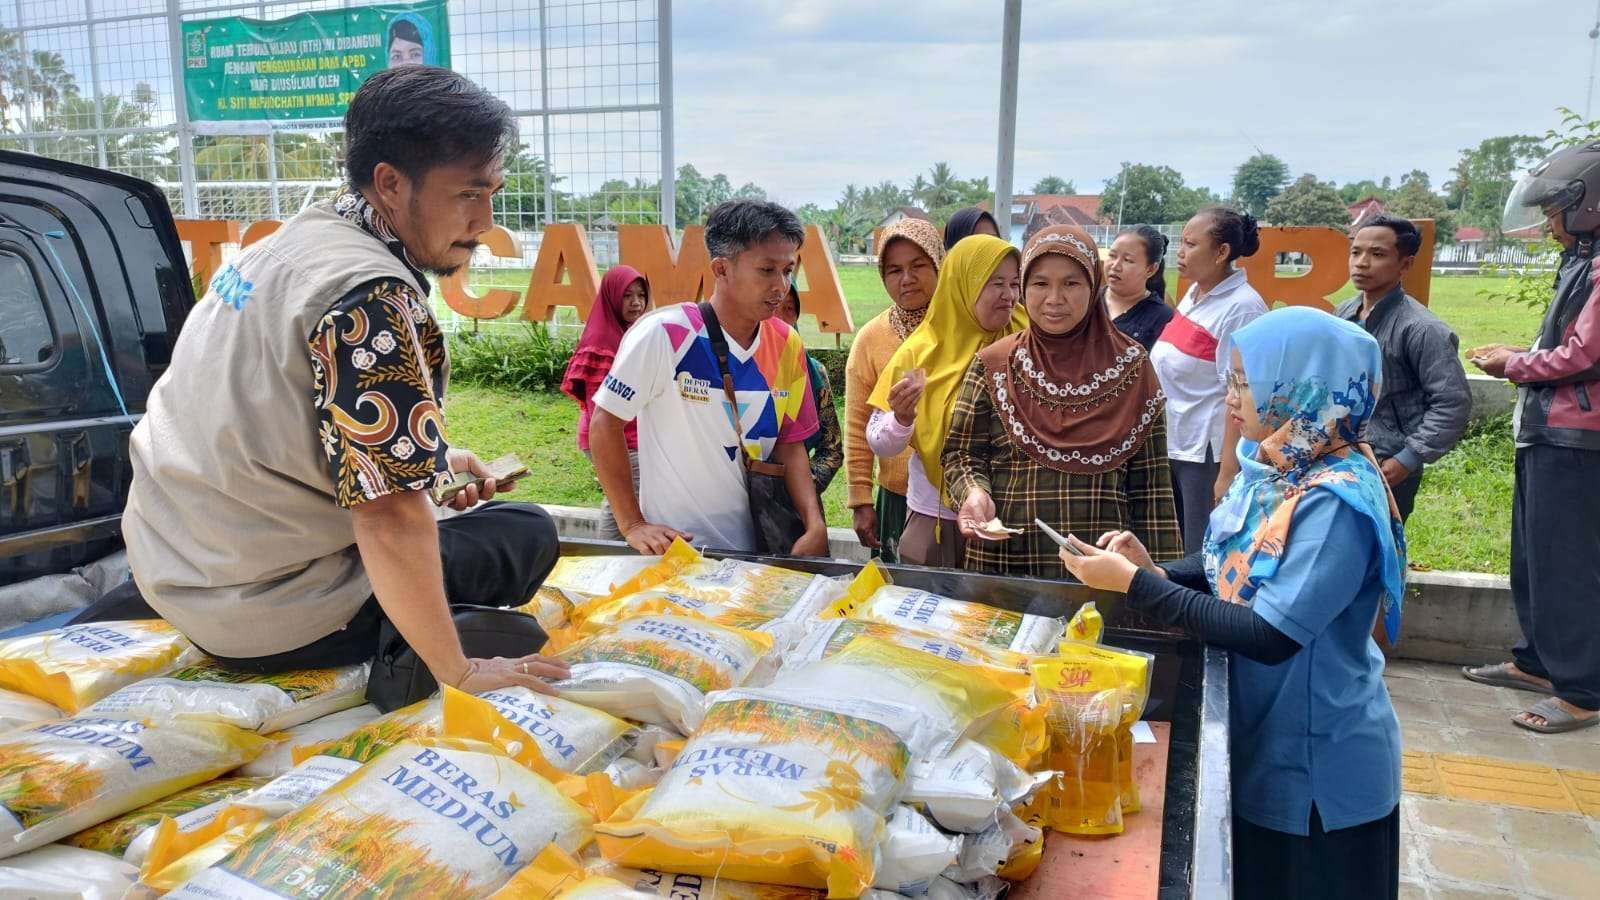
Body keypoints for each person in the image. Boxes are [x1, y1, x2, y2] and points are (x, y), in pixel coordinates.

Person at [93, 67, 566, 695]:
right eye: (469, 194)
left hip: (180, 570)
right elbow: (391, 516)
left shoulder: (290, 243)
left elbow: (277, 411)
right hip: (274, 615)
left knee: (448, 510)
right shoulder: (369, 298)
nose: (485, 220)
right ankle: (420, 651)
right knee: (525, 532)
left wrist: (433, 460)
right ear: (391, 184)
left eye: (493, 193)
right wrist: (461, 672)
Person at [1061, 306, 1406, 900]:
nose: (1232, 396)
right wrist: (1156, 570)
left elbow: (1269, 634)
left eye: (1247, 381)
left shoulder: (1334, 503)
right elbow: (1229, 565)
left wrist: (1139, 587)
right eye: (1234, 378)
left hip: (1316, 773)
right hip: (1262, 740)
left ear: (1302, 384)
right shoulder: (1275, 465)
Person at [589, 200, 828, 557]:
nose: (781, 285)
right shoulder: (665, 334)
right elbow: (605, 421)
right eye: (766, 270)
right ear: (721, 269)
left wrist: (814, 523)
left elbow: (789, 444)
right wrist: (633, 524)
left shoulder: (786, 344)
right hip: (677, 552)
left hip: (759, 554)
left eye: (788, 270)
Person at [943, 225, 1181, 578]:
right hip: (1006, 563)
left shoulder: (1132, 367)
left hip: (1101, 568)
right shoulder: (994, 364)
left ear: (1093, 286)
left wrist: (1160, 580)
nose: (1054, 298)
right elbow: (961, 453)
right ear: (1024, 287)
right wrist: (973, 491)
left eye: (1071, 283)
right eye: (1040, 283)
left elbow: (1153, 486)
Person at [1463, 144, 1600, 734]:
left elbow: (1584, 354)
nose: (1547, 223)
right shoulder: (1583, 261)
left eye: (1554, 211)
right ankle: (1541, 663)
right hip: (1549, 433)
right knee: (1536, 558)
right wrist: (1519, 355)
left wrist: (1513, 364)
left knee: (1567, 564)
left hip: (1577, 439)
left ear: (1586, 206)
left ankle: (1582, 690)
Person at [867, 234, 1023, 568]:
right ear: (963, 284)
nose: (1009, 295)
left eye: (1014, 283)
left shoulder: (1030, 337)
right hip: (938, 520)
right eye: (995, 283)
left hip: (1011, 520)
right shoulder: (921, 350)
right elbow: (879, 442)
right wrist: (902, 419)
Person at [1334, 215, 1471, 521]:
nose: (1362, 263)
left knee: (1381, 551)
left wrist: (1407, 458)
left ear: (1405, 265)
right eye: (1356, 252)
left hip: (1387, 463)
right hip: (1338, 457)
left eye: (1377, 254)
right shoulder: (1343, 313)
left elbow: (1452, 402)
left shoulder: (1422, 329)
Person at [1150, 207, 1268, 552]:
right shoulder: (1194, 293)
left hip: (1207, 454)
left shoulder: (1243, 307)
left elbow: (1240, 390)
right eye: (1181, 243)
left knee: (1201, 550)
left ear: (1221, 252)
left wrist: (1228, 471)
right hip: (1176, 440)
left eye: (1190, 244)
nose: (1180, 253)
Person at [844, 218, 945, 562]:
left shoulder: (962, 330)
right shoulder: (871, 339)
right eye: (894, 270)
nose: (907, 279)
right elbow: (857, 424)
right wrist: (860, 499)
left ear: (939, 264)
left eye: (918, 265)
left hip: (954, 502)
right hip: (895, 496)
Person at [562, 265, 651, 539]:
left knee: (623, 498)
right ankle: (609, 555)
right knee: (624, 503)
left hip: (631, 437)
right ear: (612, 297)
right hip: (616, 439)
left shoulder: (628, 333)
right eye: (627, 296)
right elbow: (598, 411)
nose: (636, 302)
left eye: (640, 295)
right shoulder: (602, 342)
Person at [776, 283, 843, 495]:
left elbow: (831, 448)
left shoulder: (813, 372)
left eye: (789, 309)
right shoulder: (736, 369)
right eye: (773, 308)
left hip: (796, 507)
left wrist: (799, 489)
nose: (781, 320)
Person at [1103, 225, 1176, 350]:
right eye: (1112, 256)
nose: (1115, 266)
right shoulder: (1086, 301)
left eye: (1128, 260)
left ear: (1151, 269)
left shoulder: (1163, 318)